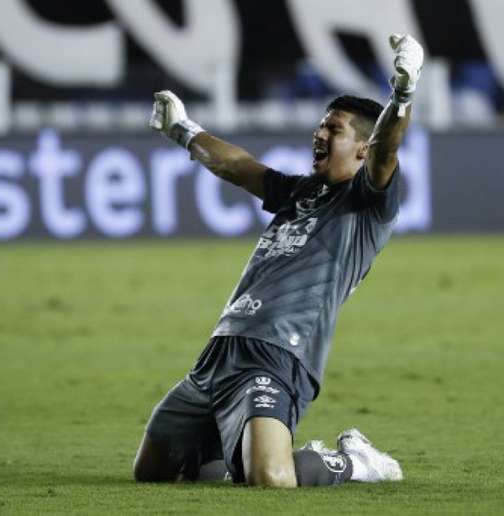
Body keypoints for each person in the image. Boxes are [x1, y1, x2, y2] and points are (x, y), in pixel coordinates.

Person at [133, 34, 424, 488]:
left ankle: (354, 463)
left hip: (280, 354)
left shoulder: (366, 202)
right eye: (321, 126)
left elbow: (388, 146)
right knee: (153, 472)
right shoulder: (301, 192)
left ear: (362, 150)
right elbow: (238, 167)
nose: (320, 134)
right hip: (222, 348)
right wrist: (183, 130)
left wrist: (402, 96)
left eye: (335, 129)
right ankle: (242, 456)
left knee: (272, 478)